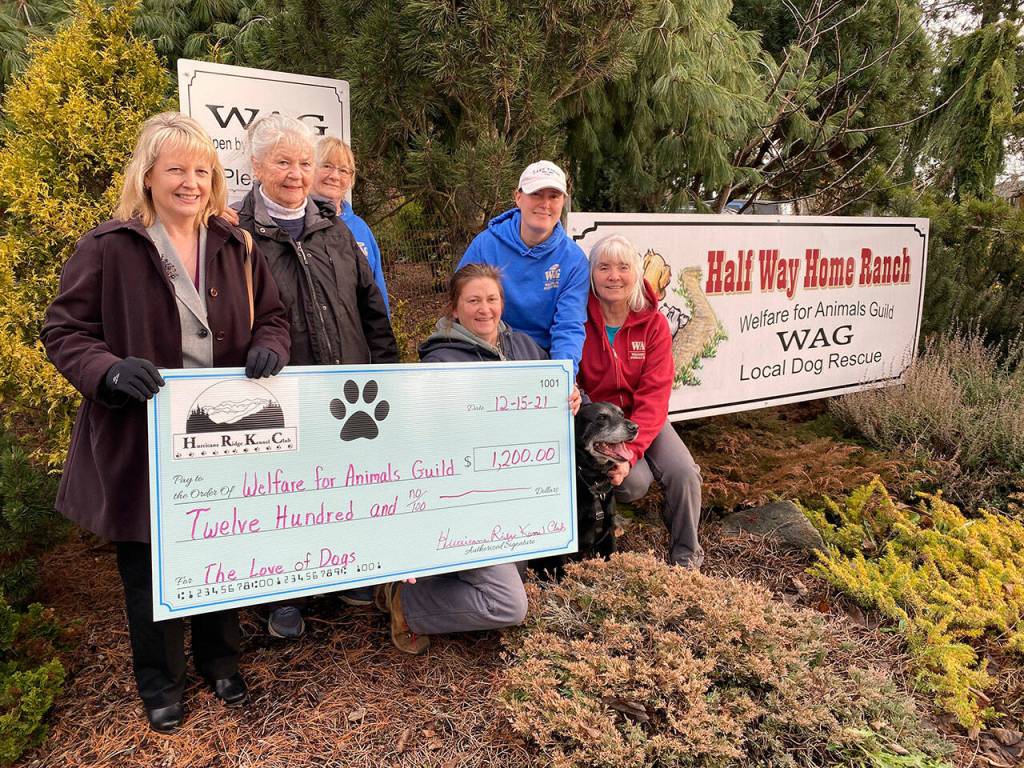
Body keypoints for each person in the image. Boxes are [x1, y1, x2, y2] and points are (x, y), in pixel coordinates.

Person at [41, 112, 291, 733]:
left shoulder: (237, 246)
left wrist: (271, 348)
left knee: (220, 543)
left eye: (201, 170)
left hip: (225, 429)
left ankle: (220, 660)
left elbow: (275, 318)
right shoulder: (110, 247)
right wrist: (106, 370)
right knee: (148, 561)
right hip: (142, 433)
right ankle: (160, 680)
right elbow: (64, 330)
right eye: (175, 169)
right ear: (148, 175)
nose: (190, 182)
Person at [235, 114, 398, 639]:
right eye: (282, 161)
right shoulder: (235, 234)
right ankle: (283, 592)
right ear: (257, 166)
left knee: (343, 482)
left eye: (305, 162)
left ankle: (344, 570)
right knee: (281, 492)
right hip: (277, 388)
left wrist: (388, 372)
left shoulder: (337, 227)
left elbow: (371, 306)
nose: (296, 174)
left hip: (347, 386)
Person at [372, 264, 581, 654]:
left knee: (518, 575)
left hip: (516, 499)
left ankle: (424, 582)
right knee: (510, 604)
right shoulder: (440, 365)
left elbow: (549, 404)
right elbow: (425, 446)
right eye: (473, 301)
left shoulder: (524, 348)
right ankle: (409, 604)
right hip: (465, 506)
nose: (485, 309)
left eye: (492, 299)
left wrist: (569, 396)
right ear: (454, 309)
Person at [576, 234, 704, 569]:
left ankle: (687, 557)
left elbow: (654, 394)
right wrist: (613, 447)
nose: (613, 276)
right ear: (592, 274)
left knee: (684, 473)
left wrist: (632, 451)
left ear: (636, 273)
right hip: (602, 424)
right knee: (632, 485)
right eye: (604, 267)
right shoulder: (578, 317)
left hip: (644, 417)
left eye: (622, 267)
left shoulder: (654, 324)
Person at [457, 161, 589, 373]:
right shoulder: (485, 246)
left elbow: (568, 328)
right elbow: (461, 308)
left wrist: (563, 378)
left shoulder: (574, 261)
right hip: (486, 355)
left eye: (554, 196)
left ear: (563, 201)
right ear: (518, 197)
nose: (545, 204)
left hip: (543, 362)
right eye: (536, 194)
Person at [311, 135, 390, 314]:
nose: (335, 176)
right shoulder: (297, 223)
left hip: (358, 336)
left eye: (344, 170)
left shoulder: (360, 228)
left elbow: (377, 289)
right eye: (327, 166)